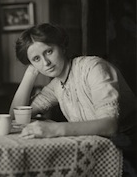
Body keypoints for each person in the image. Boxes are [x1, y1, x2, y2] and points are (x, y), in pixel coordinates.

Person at [9, 23, 137, 174]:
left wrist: (54, 129)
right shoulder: (56, 84)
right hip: (99, 152)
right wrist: (30, 73)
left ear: (62, 46)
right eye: (36, 59)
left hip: (129, 152)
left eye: (49, 51)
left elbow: (110, 125)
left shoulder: (93, 68)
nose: (46, 63)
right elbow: (15, 115)